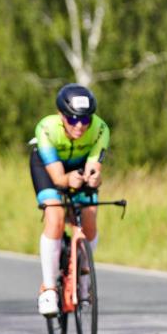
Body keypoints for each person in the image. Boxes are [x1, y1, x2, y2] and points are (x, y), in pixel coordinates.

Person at [30, 84, 110, 317]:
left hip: (79, 166)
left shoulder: (100, 128)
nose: (79, 126)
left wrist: (94, 178)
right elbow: (57, 177)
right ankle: (49, 289)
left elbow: (94, 167)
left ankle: (84, 282)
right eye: (73, 119)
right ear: (61, 116)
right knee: (55, 218)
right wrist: (66, 180)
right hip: (48, 168)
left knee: (90, 220)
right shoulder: (46, 128)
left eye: (85, 120)